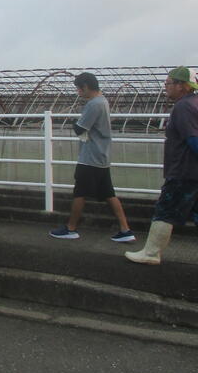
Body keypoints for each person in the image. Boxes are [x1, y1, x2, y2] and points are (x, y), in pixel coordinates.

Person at [49, 73, 134, 242]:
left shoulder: (94, 104)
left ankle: (71, 228)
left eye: (79, 89)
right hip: (102, 156)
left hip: (90, 157)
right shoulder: (103, 101)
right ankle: (125, 230)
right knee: (108, 193)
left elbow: (80, 128)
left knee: (80, 192)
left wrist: (74, 123)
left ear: (86, 87)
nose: (78, 92)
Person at [126, 66, 198, 265]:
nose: (165, 87)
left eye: (168, 83)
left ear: (181, 86)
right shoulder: (195, 103)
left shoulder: (183, 107)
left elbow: (193, 140)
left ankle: (151, 253)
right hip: (193, 171)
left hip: (183, 171)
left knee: (165, 210)